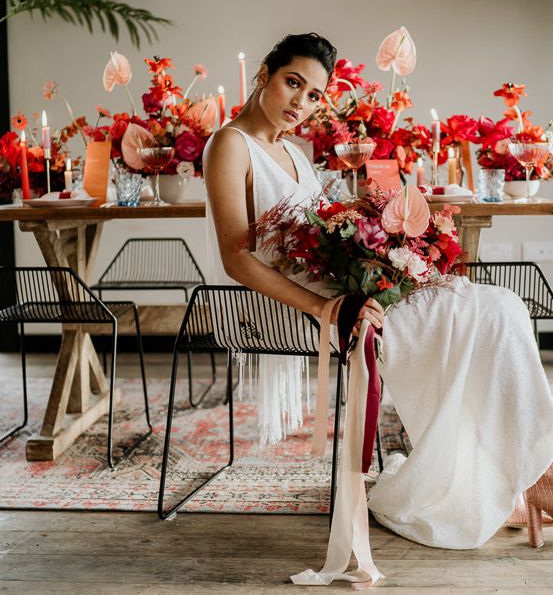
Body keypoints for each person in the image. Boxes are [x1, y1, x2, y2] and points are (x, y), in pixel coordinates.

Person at [202, 32, 553, 554]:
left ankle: (526, 470)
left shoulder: (296, 153)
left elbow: (322, 231)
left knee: (504, 310)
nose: (301, 103)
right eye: (291, 83)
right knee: (495, 310)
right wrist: (328, 307)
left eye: (315, 95)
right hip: (309, 303)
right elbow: (237, 259)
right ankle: (537, 475)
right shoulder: (230, 144)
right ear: (264, 76)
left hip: (349, 287)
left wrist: (385, 251)